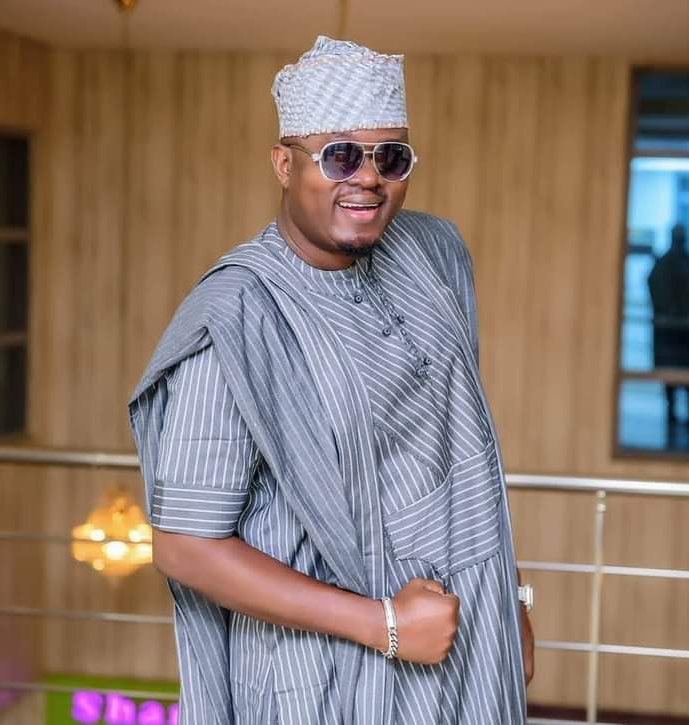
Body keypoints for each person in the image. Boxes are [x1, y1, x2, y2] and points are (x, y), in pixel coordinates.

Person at [130, 36, 532, 724]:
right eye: (340, 155)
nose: (368, 178)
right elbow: (185, 546)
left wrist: (511, 600)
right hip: (324, 678)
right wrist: (386, 625)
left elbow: (468, 453)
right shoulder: (239, 318)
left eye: (391, 157)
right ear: (284, 163)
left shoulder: (435, 254)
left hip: (467, 639)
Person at [648, 223, 689, 427]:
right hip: (674, 332)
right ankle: (672, 414)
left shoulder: (685, 260)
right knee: (672, 377)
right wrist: (673, 312)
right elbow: (657, 288)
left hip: (686, 331)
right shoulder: (667, 263)